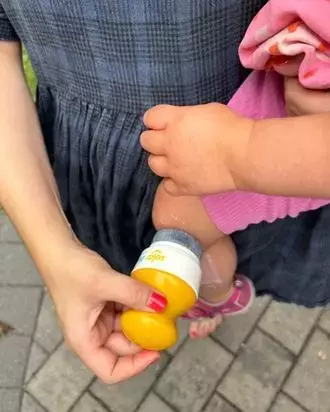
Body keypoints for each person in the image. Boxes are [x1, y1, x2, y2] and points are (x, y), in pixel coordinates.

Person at [1, 0, 330, 384]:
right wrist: (54, 255)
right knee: (147, 251)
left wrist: (241, 153)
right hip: (107, 164)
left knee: (189, 229)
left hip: (284, 120)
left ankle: (211, 299)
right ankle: (199, 295)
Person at [145, 0, 330, 339]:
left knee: (178, 214)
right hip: (305, 59)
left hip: (313, 130)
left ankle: (217, 296)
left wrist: (236, 151)